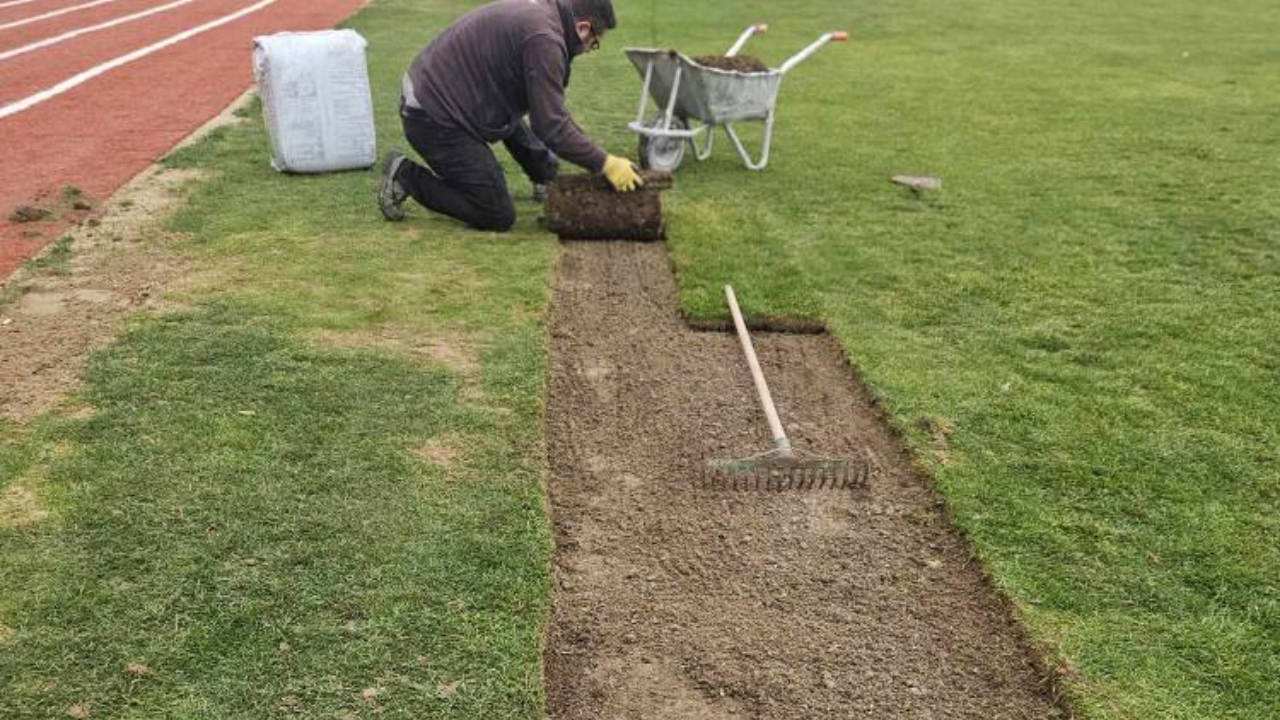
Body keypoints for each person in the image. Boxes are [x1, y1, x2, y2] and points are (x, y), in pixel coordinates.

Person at [378, 0, 643, 231]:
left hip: (453, 92)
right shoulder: (545, 39)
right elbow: (551, 125)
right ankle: (405, 175)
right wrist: (606, 163)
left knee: (526, 131)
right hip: (432, 114)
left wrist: (560, 162)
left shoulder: (547, 14)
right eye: (593, 43)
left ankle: (544, 175)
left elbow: (547, 109)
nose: (588, 50)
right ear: (583, 28)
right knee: (496, 212)